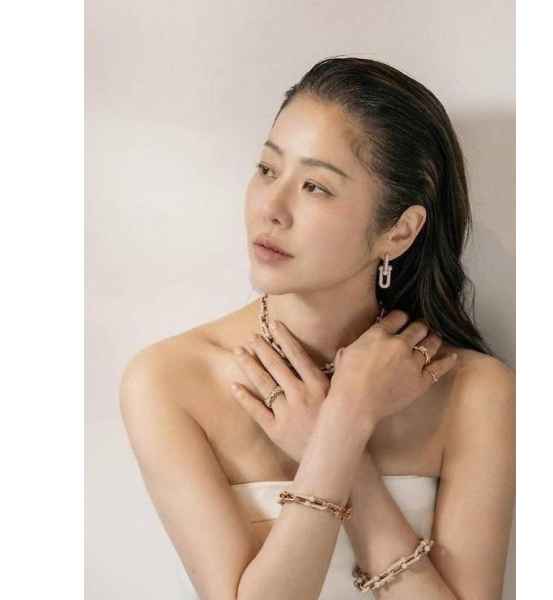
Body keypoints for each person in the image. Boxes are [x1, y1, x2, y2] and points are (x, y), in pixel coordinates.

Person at [120, 56, 515, 600]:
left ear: (399, 232)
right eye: (267, 169)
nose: (272, 208)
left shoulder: (476, 391)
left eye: (315, 187)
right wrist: (343, 427)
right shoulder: (168, 381)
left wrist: (341, 426)